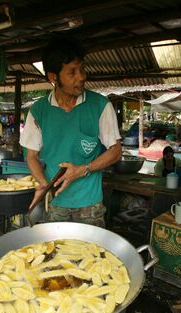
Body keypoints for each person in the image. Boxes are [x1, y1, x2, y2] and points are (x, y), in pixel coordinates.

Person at [19, 35, 122, 228]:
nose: (81, 76)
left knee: (92, 254)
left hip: (90, 203)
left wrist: (83, 169)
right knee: (56, 253)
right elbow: (31, 155)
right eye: (72, 72)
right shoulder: (38, 111)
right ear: (53, 77)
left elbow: (116, 150)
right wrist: (43, 183)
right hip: (56, 202)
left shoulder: (100, 105)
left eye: (82, 68)